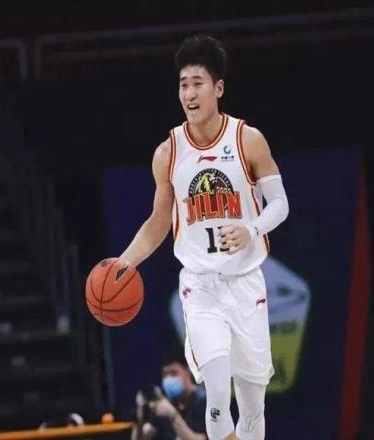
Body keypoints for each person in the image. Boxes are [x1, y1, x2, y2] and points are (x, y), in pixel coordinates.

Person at [119, 34, 289, 440]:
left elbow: (280, 204)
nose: (189, 93)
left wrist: (251, 230)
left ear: (219, 88)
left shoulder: (247, 139)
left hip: (246, 282)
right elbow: (159, 222)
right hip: (200, 286)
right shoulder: (168, 152)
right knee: (216, 395)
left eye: (197, 83)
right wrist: (124, 262)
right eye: (183, 84)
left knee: (252, 407)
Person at [132, 350, 208, 440]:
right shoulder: (164, 406)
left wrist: (173, 416)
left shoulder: (205, 402)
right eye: (165, 375)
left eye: (173, 373)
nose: (169, 379)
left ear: (188, 371)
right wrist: (140, 419)